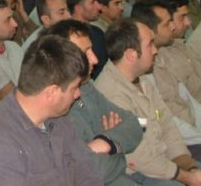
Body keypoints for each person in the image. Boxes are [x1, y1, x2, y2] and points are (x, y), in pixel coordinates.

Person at [95, 18, 201, 186]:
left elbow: (167, 124)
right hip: (137, 171)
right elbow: (140, 157)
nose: (155, 50)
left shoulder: (142, 80)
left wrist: (189, 167)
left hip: (164, 159)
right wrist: (186, 177)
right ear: (131, 55)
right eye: (150, 45)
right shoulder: (112, 94)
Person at [132, 0, 201, 186]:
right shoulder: (143, 70)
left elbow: (191, 101)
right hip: (183, 142)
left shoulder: (169, 53)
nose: (174, 27)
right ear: (149, 30)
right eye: (168, 23)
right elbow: (166, 123)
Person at [0, 34, 103, 185]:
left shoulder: (58, 118)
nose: (78, 94)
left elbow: (88, 174)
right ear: (52, 93)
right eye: (74, 88)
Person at [45, 19, 143, 186]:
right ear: (62, 59)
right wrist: (119, 152)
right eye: (85, 52)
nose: (95, 59)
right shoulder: (53, 109)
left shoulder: (86, 87)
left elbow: (135, 124)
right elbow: (91, 171)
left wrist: (106, 141)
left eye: (92, 49)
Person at [67, 0, 108, 79]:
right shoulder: (68, 39)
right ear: (78, 8)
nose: (99, 7)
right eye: (92, 2)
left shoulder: (98, 32)